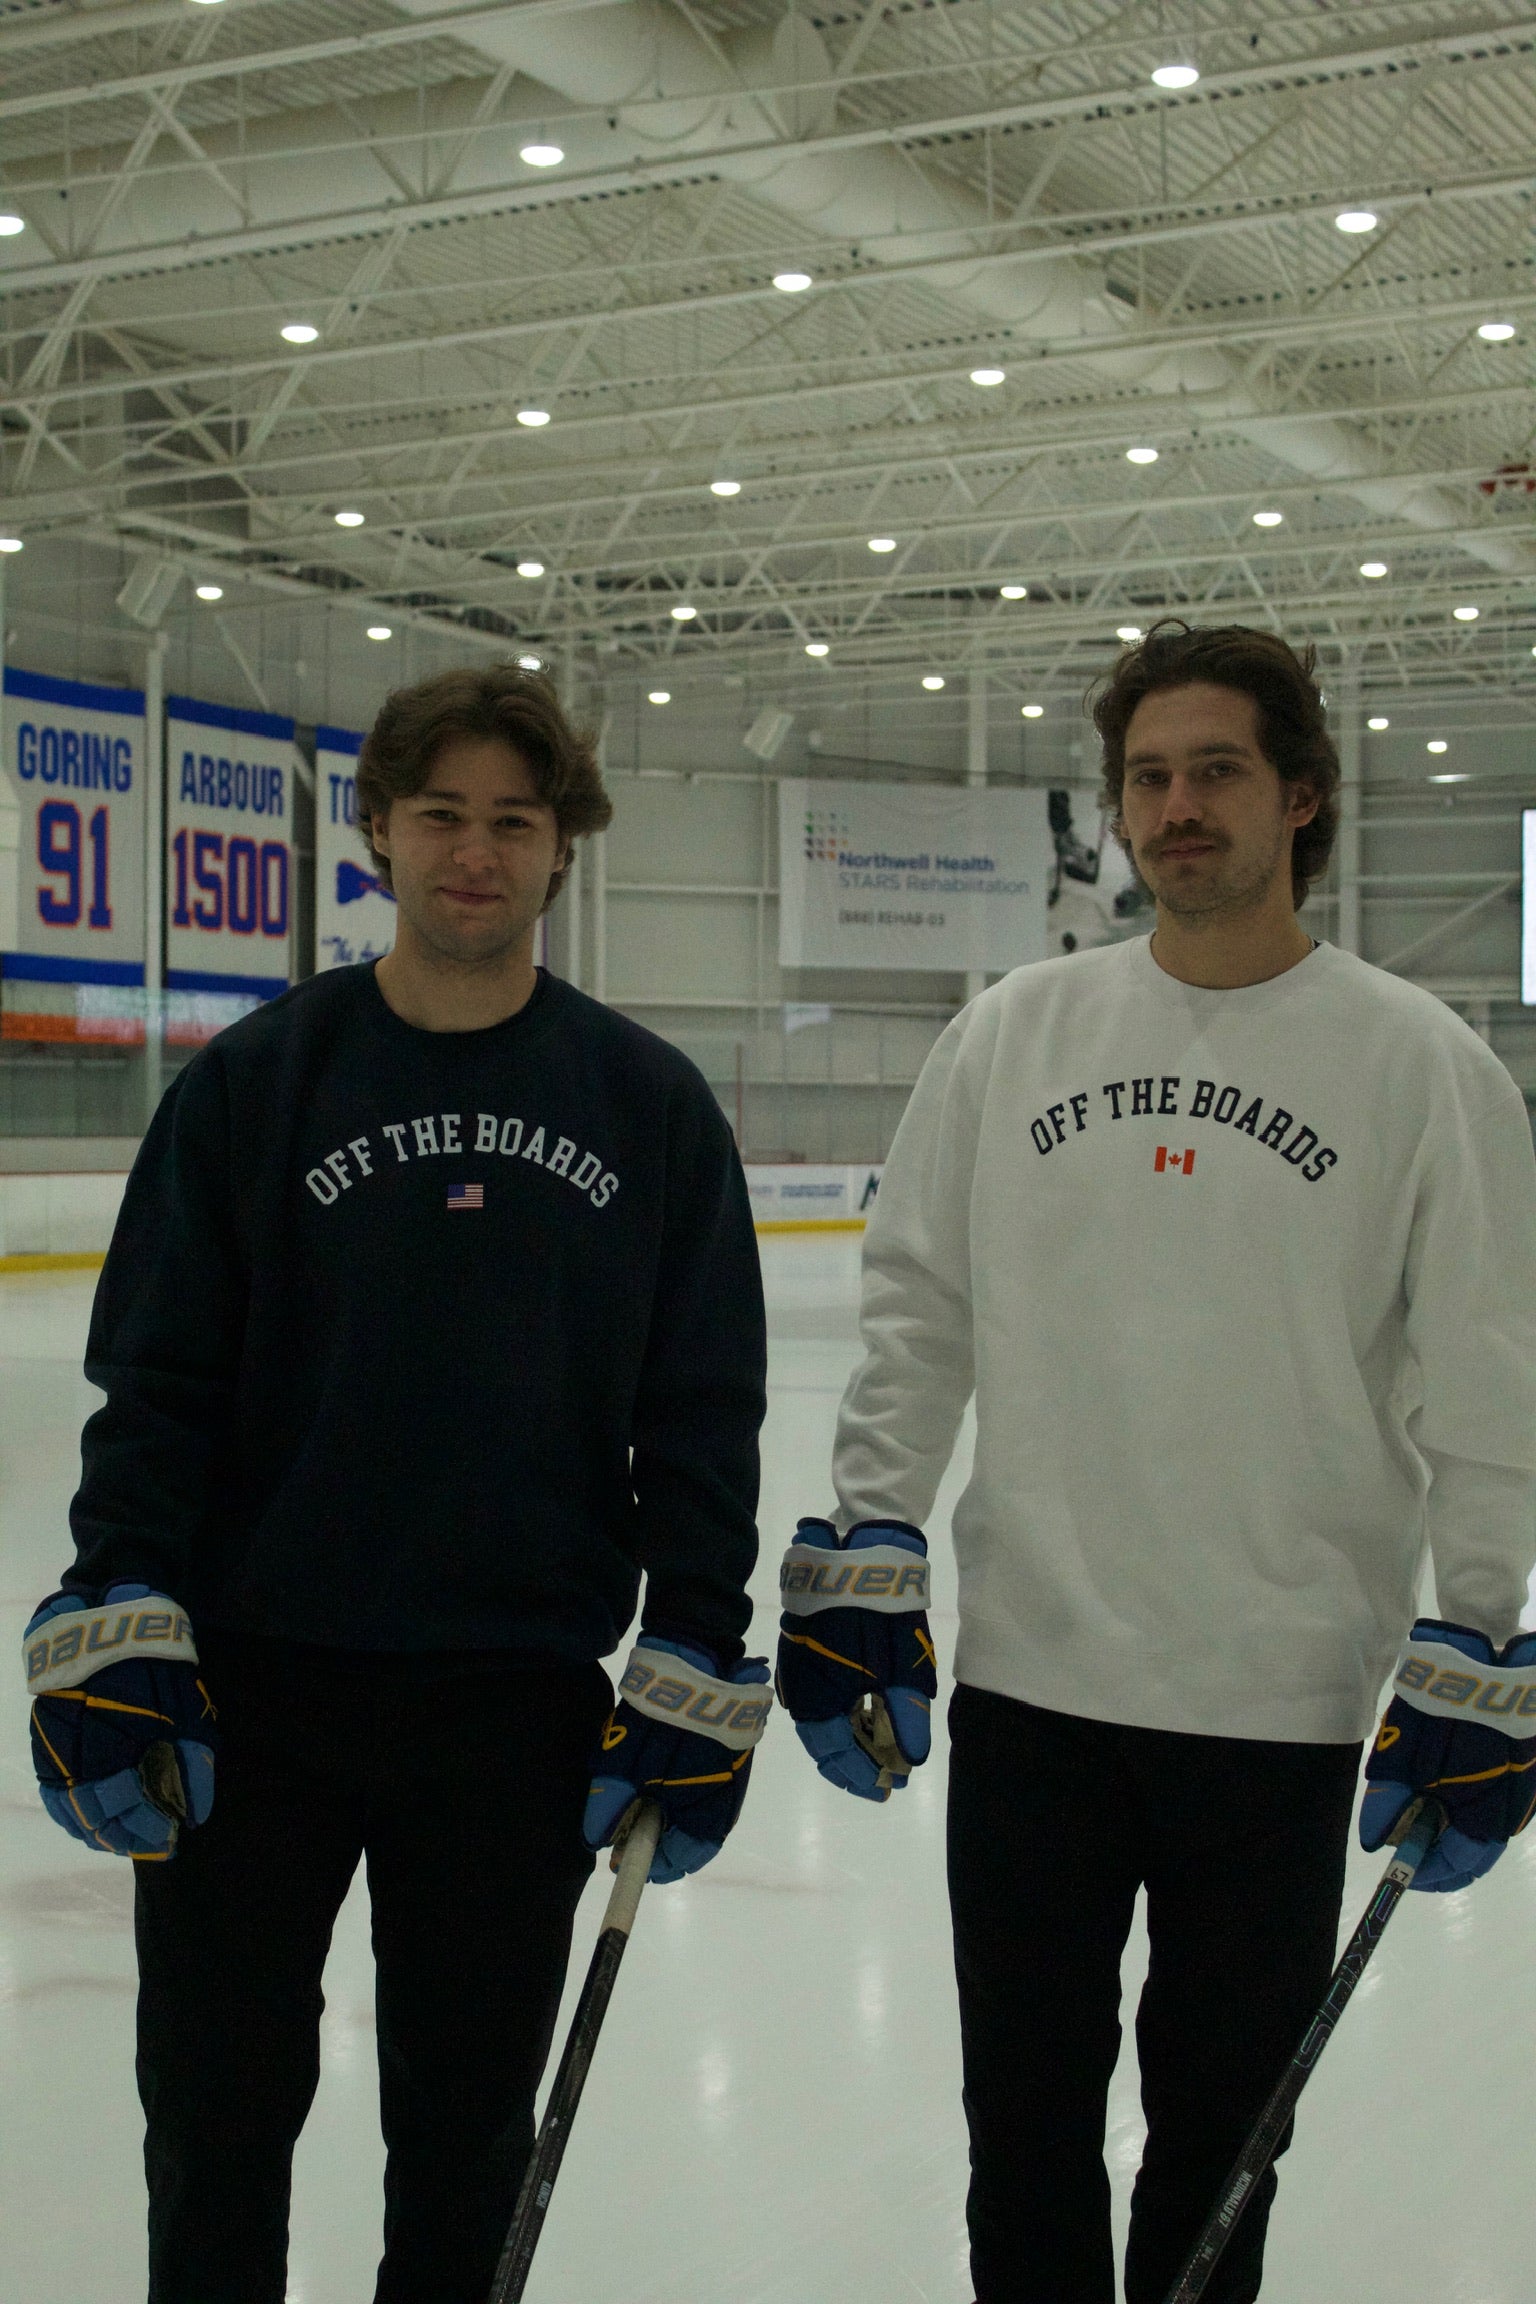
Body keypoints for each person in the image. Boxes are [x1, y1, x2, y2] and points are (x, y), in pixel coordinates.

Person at [774, 621, 1536, 2303]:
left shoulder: (1420, 1063)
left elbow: (1490, 1385)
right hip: (1035, 1689)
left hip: (1277, 1705)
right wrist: (873, 1533)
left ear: (1301, 796)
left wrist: (1480, 1633)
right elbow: (919, 1306)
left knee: (1221, 2151)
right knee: (1022, 2133)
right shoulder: (1015, 1032)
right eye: (1148, 778)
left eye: (1217, 773)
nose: (1177, 808)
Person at [21, 664, 770, 2304]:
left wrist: (698, 1633)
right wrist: (119, 1583)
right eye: (442, 816)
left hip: (512, 1711)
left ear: (562, 845)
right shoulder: (257, 1082)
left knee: (466, 2141)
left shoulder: (645, 1104)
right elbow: (159, 1381)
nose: (476, 853)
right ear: (378, 832)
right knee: (214, 2121)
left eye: (514, 820)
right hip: (250, 1696)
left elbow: (700, 1411)